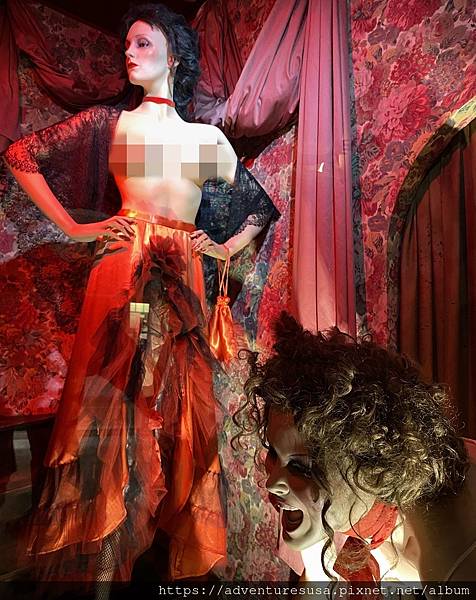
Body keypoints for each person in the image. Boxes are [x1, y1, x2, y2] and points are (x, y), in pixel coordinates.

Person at [2, 3, 277, 583]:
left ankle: (158, 553)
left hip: (183, 273)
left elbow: (259, 207)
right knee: (113, 399)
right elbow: (20, 155)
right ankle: (105, 556)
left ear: (173, 55)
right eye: (126, 44)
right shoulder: (112, 123)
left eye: (142, 43)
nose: (128, 52)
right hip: (125, 265)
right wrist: (76, 228)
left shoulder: (207, 139)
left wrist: (224, 248)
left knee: (178, 406)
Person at [235, 312, 476, 583]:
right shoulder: (336, 505)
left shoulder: (451, 548)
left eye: (300, 467)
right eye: (273, 454)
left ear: (371, 461)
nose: (271, 484)